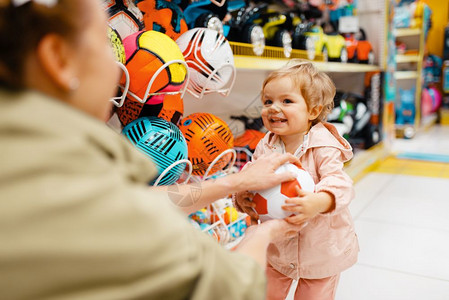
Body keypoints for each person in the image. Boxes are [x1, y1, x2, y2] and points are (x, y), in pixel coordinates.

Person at [0, 0, 303, 299]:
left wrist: (234, 183)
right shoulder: (87, 196)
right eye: (106, 45)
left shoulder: (38, 160)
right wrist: (263, 234)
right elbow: (235, 286)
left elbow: (138, 201)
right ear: (58, 58)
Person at [234, 60, 359, 300]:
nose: (273, 108)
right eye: (268, 101)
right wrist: (243, 196)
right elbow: (251, 176)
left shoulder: (324, 146)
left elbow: (340, 183)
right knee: (266, 292)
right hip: (278, 247)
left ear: (312, 111)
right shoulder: (266, 145)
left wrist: (319, 201)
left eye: (286, 101)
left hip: (321, 247)